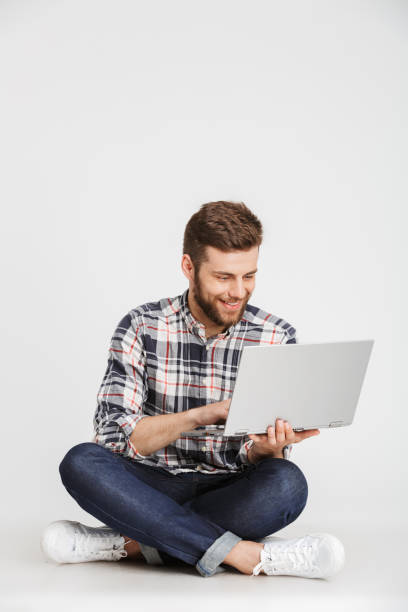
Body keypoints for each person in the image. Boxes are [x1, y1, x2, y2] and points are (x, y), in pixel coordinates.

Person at [40, 201, 345, 579]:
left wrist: (269, 449)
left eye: (248, 276)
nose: (238, 291)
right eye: (223, 277)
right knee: (81, 462)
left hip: (227, 487)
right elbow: (113, 438)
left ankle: (131, 544)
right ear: (189, 267)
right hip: (149, 484)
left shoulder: (276, 335)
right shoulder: (140, 326)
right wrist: (203, 415)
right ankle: (248, 555)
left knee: (287, 483)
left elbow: (256, 452)